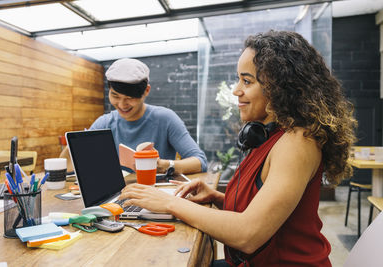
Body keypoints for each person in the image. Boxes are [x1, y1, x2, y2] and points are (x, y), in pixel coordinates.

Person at [120, 30, 357, 266]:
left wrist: (170, 203)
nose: (236, 90)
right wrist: (217, 197)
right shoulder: (270, 134)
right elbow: (266, 209)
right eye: (238, 79)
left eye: (247, 81)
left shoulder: (298, 142)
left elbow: (248, 235)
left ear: (280, 87)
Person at [60, 58, 207, 175]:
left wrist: (165, 165)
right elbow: (66, 169)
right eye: (115, 95)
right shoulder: (104, 123)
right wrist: (75, 146)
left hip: (156, 194)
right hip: (117, 195)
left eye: (130, 97)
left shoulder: (165, 118)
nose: (122, 104)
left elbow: (200, 162)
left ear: (146, 91)